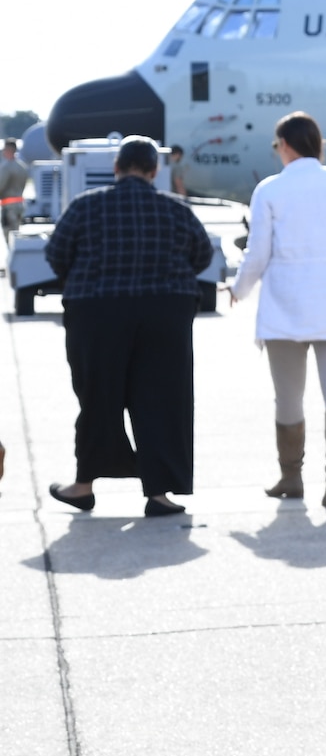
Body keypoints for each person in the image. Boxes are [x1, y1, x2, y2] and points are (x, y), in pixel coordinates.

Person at [45, 136, 213, 517]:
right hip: (166, 313)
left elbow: (56, 255)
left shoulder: (85, 206)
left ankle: (83, 485)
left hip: (96, 312)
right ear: (154, 172)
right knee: (163, 401)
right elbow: (202, 255)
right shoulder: (177, 210)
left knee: (97, 397)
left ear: (117, 168)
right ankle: (158, 494)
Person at [228, 112, 326, 506]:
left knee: (288, 397)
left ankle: (291, 477)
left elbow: (257, 254)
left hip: (285, 307)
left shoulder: (270, 190)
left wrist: (239, 288)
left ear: (285, 145)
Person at [0, 138, 28, 250]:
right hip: (19, 205)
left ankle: (12, 263)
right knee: (16, 234)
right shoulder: (22, 167)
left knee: (9, 236)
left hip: (8, 206)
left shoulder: (6, 167)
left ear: (8, 150)